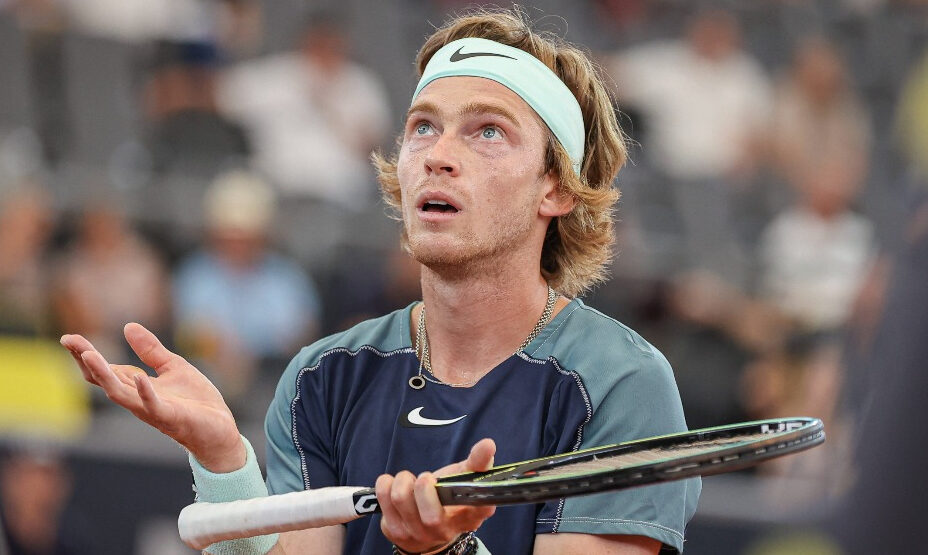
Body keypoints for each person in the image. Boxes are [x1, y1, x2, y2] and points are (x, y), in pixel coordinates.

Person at [60, 8, 699, 555]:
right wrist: (224, 460)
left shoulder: (620, 384)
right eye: (424, 126)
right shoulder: (322, 377)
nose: (438, 155)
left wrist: (447, 549)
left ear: (555, 188)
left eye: (488, 131)